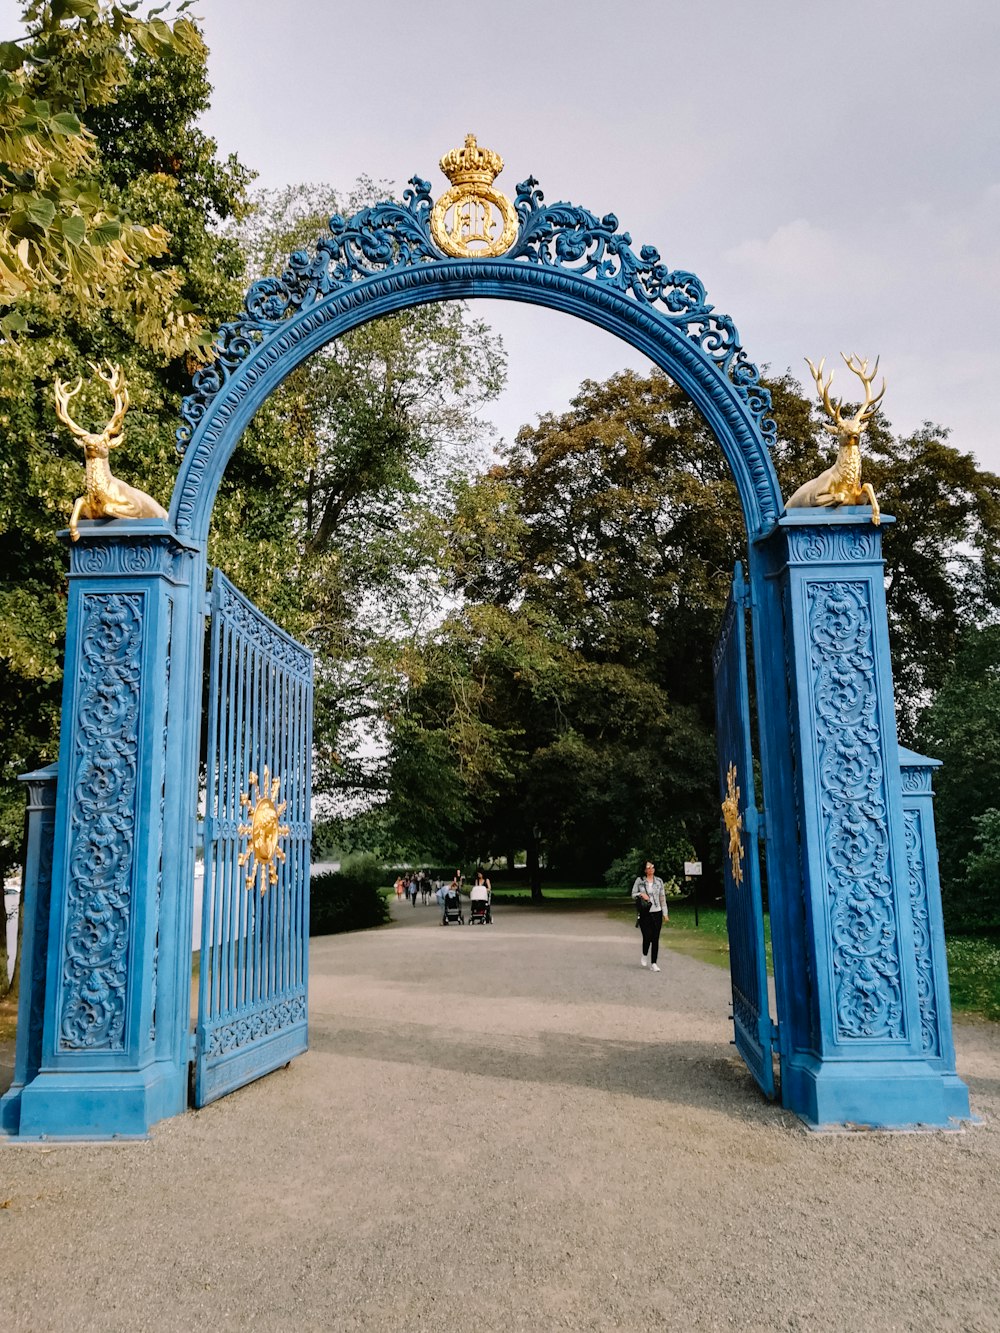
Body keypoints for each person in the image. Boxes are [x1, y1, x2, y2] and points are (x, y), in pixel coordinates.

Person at [631, 860, 668, 971]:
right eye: (648, 867)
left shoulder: (659, 881)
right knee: (647, 936)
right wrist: (641, 894)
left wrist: (665, 913)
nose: (650, 869)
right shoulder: (640, 881)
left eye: (652, 867)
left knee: (655, 938)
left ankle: (654, 963)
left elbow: (662, 897)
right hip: (645, 912)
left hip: (657, 911)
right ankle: (644, 954)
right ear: (645, 870)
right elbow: (633, 894)